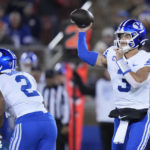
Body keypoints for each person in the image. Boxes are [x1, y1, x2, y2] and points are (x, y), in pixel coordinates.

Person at [76, 19, 150, 149]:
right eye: (121, 35)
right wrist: (82, 32)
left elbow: (136, 82)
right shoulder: (111, 54)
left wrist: (121, 61)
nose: (122, 39)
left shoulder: (145, 58)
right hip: (120, 115)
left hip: (142, 115)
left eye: (127, 36)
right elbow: (83, 54)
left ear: (138, 37)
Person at [0, 48, 57, 150]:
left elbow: (0, 107)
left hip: (27, 123)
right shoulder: (26, 75)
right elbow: (42, 103)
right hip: (49, 122)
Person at [73, 69, 115, 150]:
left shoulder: (119, 83)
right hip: (104, 120)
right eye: (107, 71)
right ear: (104, 72)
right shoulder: (99, 84)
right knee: (106, 146)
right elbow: (85, 91)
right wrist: (78, 78)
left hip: (116, 121)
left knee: (116, 146)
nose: (109, 73)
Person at [42, 65, 70, 150]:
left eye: (51, 78)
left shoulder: (61, 90)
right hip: (46, 122)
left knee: (59, 145)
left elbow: (66, 107)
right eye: (48, 78)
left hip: (58, 122)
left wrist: (65, 124)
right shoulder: (43, 90)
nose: (49, 80)